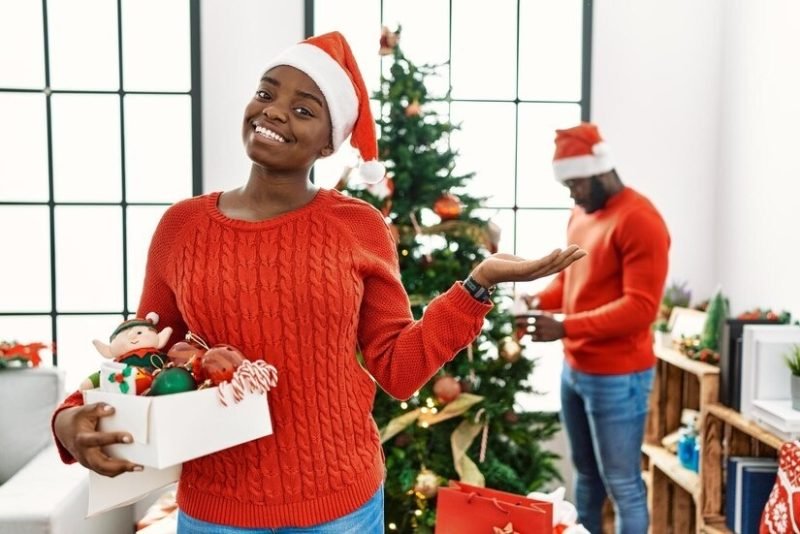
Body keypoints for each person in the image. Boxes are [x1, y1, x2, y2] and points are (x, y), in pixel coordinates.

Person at [51, 32, 586, 533]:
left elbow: (397, 369)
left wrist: (476, 286)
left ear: (328, 144)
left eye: (304, 109)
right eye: (266, 92)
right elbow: (143, 355)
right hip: (217, 510)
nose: (275, 110)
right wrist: (68, 416)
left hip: (341, 510)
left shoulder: (358, 226)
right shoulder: (182, 227)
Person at [516, 122, 670, 534]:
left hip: (619, 376)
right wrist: (537, 300)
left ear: (601, 170)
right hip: (576, 370)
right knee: (585, 476)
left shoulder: (640, 220)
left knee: (623, 484)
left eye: (576, 184)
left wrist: (565, 328)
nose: (571, 194)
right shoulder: (580, 215)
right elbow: (572, 281)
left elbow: (640, 308)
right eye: (567, 185)